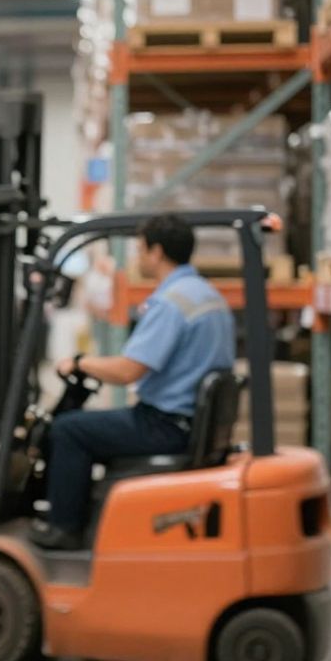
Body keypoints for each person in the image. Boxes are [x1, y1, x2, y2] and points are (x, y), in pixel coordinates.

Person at [32, 214, 234, 551]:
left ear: (157, 252)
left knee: (67, 430)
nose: (138, 258)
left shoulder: (171, 302)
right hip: (188, 422)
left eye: (141, 250)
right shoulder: (206, 295)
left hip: (165, 426)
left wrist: (80, 363)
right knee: (86, 426)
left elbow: (128, 370)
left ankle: (65, 528)